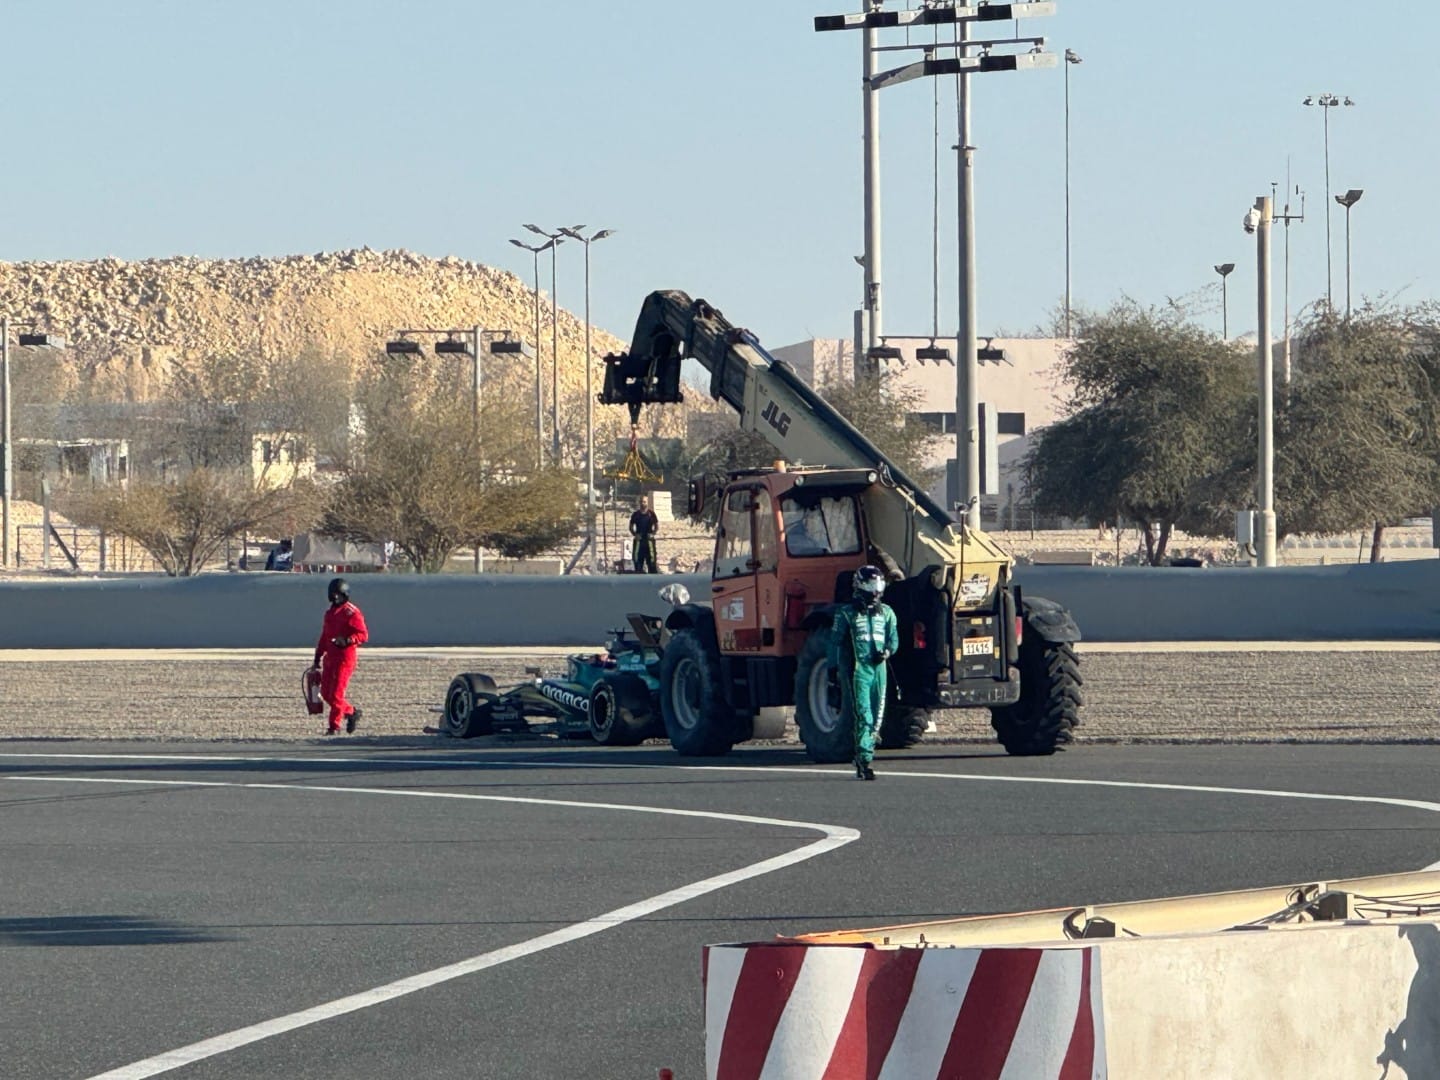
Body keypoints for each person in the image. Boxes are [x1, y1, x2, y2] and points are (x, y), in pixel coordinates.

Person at [828, 565, 898, 780]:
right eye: (871, 586)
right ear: (860, 586)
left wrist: (886, 652)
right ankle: (864, 758)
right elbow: (835, 642)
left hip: (880, 669)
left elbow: (894, 640)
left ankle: (864, 752)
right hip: (860, 671)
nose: (875, 591)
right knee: (864, 714)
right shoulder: (846, 613)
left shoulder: (887, 612)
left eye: (878, 586)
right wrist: (833, 668)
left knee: (878, 715)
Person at [312, 577, 368, 736]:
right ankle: (351, 712)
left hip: (345, 659)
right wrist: (318, 656)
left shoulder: (352, 612)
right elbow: (325, 636)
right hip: (330, 658)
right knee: (326, 694)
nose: (336, 598)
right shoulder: (329, 614)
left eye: (339, 595)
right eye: (334, 595)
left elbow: (363, 634)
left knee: (336, 695)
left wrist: (348, 640)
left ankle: (334, 727)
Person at [629, 495, 659, 574]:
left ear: (647, 503)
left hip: (649, 541)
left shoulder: (651, 514)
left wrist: (653, 534)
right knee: (637, 562)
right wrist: (635, 535)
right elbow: (631, 527)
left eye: (644, 502)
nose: (643, 503)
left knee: (652, 562)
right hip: (639, 541)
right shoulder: (635, 514)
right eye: (641, 502)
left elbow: (656, 527)